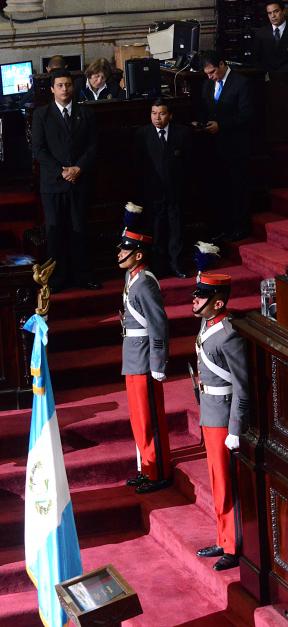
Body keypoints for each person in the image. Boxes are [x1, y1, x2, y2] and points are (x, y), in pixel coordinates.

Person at [191, 271, 249, 571]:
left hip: (223, 416)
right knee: (217, 480)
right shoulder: (208, 323)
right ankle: (223, 536)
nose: (195, 299)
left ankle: (233, 545)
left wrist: (235, 428)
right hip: (210, 411)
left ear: (217, 303)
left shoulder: (228, 334)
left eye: (201, 296)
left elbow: (242, 385)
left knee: (226, 482)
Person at [31, 68, 100, 292]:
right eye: (60, 85)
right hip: (53, 183)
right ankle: (57, 279)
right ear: (52, 89)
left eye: (68, 85)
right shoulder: (41, 115)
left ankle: (84, 276)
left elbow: (93, 146)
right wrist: (61, 171)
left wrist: (78, 168)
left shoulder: (86, 113)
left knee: (80, 230)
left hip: (79, 181)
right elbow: (38, 150)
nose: (65, 89)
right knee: (55, 231)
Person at [117, 224, 172, 495]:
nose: (119, 254)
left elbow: (158, 325)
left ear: (139, 255)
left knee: (150, 419)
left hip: (144, 358)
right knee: (139, 418)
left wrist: (158, 363)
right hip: (132, 355)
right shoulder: (132, 277)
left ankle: (158, 472)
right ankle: (147, 468)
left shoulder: (145, 282)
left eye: (125, 250)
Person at [196, 51, 254, 241]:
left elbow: (246, 115)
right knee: (220, 189)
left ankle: (240, 228)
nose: (210, 77)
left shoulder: (241, 83)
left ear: (222, 64)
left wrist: (221, 125)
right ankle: (222, 227)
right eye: (207, 74)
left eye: (212, 72)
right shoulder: (207, 84)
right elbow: (205, 109)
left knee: (237, 188)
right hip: (214, 147)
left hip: (235, 146)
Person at [134, 98, 193, 278]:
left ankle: (177, 266)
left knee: (177, 230)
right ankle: (159, 268)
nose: (157, 118)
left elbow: (190, 163)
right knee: (156, 231)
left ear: (170, 115)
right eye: (154, 113)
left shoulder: (182, 133)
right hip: (153, 193)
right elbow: (138, 166)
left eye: (161, 113)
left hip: (176, 191)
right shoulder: (142, 134)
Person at [253, 1, 288, 74]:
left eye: (276, 11)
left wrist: (280, 73)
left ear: (283, 11)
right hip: (267, 76)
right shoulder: (260, 33)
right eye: (269, 13)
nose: (273, 16)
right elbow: (257, 58)